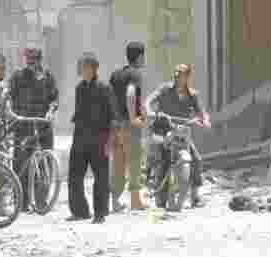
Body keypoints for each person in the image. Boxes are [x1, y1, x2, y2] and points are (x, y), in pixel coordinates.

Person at [146, 63, 211, 210]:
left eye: (181, 75)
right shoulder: (164, 89)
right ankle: (156, 190)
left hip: (182, 131)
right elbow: (149, 101)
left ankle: (195, 197)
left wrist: (205, 120)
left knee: (196, 159)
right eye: (176, 74)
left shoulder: (193, 95)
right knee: (162, 158)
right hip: (163, 129)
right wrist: (149, 111)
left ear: (187, 77)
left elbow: (201, 111)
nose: (177, 77)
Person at [8, 47, 59, 210]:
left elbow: (54, 99)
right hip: (23, 124)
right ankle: (21, 202)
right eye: (28, 59)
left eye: (34, 59)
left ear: (40, 59)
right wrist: (12, 114)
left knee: (45, 164)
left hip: (43, 125)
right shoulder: (17, 76)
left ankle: (41, 200)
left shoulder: (48, 76)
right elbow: (9, 97)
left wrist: (51, 111)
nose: (31, 63)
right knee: (20, 162)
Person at [68, 52, 116, 224]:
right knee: (74, 175)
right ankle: (80, 211)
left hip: (99, 138)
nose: (83, 70)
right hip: (80, 138)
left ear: (94, 68)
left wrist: (111, 139)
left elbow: (113, 116)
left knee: (100, 176)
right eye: (81, 67)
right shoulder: (79, 88)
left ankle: (100, 213)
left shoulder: (105, 88)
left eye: (86, 67)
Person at [109, 41, 148, 213]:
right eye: (143, 56)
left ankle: (115, 202)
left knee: (118, 163)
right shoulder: (135, 74)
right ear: (139, 56)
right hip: (129, 126)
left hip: (115, 125)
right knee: (134, 162)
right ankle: (135, 201)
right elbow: (131, 94)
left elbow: (109, 96)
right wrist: (133, 118)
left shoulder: (116, 74)